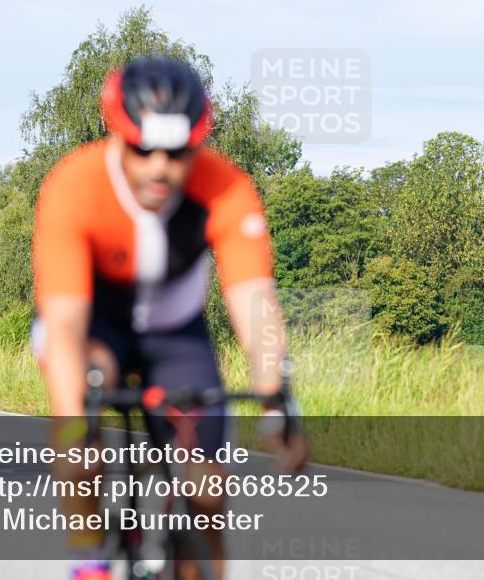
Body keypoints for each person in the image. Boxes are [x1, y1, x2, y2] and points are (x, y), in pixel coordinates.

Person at [31, 57, 308, 580]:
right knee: (80, 418)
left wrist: (277, 401)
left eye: (178, 152)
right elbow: (64, 325)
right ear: (118, 135)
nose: (160, 167)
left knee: (208, 491)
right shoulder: (74, 185)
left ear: (197, 144)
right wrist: (75, 425)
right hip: (96, 327)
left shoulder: (225, 187)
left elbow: (256, 304)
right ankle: (89, 556)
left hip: (177, 334)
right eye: (143, 149)